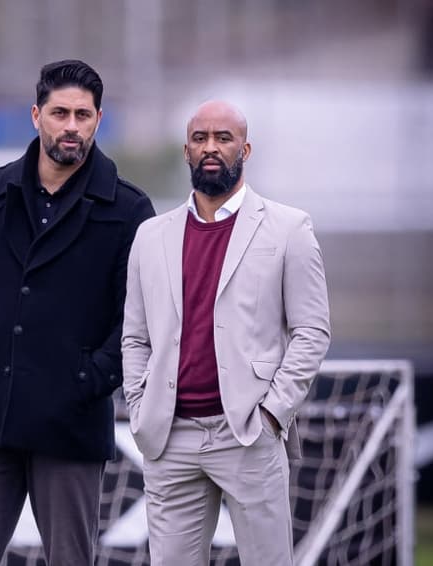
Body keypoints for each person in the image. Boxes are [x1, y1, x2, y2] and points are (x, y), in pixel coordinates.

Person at [0, 59, 155, 565]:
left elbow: (140, 319)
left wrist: (87, 380)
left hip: (70, 426)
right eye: (60, 113)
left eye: (83, 114)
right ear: (36, 116)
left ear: (98, 120)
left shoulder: (128, 211)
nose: (71, 126)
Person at [121, 100, 330, 565]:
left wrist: (273, 415)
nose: (211, 148)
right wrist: (140, 404)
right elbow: (135, 337)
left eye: (223, 138)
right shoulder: (151, 236)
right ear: (186, 151)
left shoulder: (289, 228)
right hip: (169, 439)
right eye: (200, 139)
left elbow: (312, 331)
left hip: (249, 434)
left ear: (245, 148)